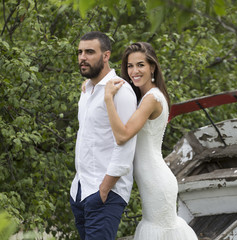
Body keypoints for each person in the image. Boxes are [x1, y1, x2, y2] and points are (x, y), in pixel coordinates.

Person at [104, 42, 198, 240]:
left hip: (157, 182)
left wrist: (108, 100)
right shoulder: (144, 96)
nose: (134, 71)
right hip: (151, 181)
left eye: (140, 65)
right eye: (130, 66)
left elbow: (122, 136)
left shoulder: (152, 98)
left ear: (152, 67)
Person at [70, 31, 137, 240]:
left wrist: (105, 188)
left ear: (106, 55)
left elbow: (125, 143)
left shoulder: (120, 90)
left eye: (90, 52)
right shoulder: (87, 90)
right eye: (80, 52)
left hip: (105, 192)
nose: (83, 57)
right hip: (81, 189)